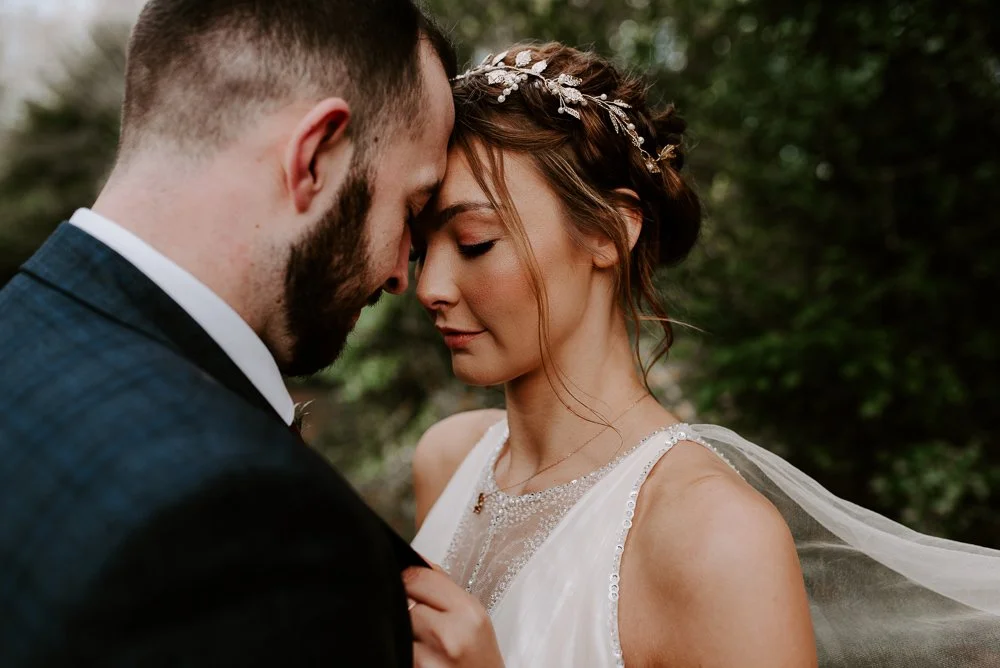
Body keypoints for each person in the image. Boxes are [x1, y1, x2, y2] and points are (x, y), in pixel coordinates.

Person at [406, 43, 1000, 667]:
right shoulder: (447, 461)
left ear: (611, 230)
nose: (428, 287)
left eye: (474, 242)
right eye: (421, 248)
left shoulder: (713, 538)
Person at [0, 1, 455, 665]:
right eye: (410, 209)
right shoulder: (263, 531)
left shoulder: (19, 325)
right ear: (316, 157)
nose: (400, 275)